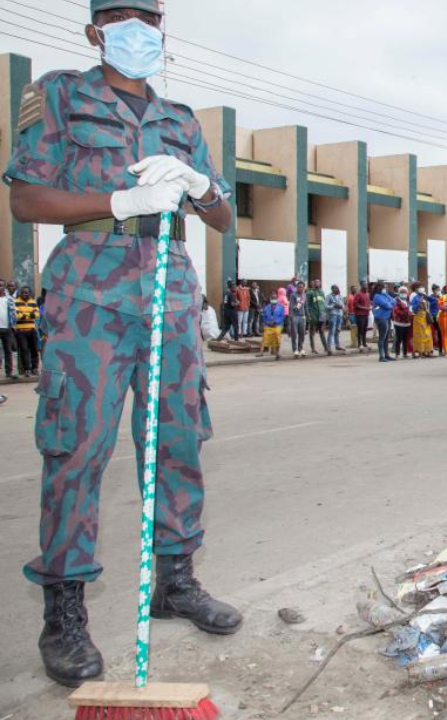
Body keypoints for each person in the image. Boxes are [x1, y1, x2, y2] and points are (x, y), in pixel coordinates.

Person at [5, 0, 243, 687]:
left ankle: (175, 580)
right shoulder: (57, 95)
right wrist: (117, 202)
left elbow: (223, 217)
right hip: (88, 290)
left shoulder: (181, 119)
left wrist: (200, 186)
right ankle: (65, 611)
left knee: (177, 438)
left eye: (148, 19)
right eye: (120, 19)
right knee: (76, 447)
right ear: (94, 33)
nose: (137, 32)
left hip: (168, 289)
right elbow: (26, 198)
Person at [14, 286, 40, 376]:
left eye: (27, 293)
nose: (25, 294)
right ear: (21, 293)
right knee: (24, 350)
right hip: (21, 331)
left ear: (29, 293)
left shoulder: (33, 302)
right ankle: (27, 369)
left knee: (34, 350)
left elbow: (37, 314)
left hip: (32, 330)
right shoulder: (15, 302)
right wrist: (29, 314)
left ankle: (35, 368)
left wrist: (24, 314)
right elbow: (17, 315)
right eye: (24, 293)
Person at [371, 282, 395, 362]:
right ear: (379, 288)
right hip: (381, 318)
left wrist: (390, 304)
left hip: (387, 317)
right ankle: (381, 356)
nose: (386, 289)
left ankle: (387, 355)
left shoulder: (385, 295)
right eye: (384, 287)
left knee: (386, 338)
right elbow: (387, 305)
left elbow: (393, 301)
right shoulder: (377, 296)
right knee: (382, 338)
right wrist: (390, 304)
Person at [258, 292, 285, 360]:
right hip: (268, 324)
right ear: (270, 299)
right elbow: (264, 316)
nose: (274, 299)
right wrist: (268, 322)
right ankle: (261, 352)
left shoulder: (281, 307)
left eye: (275, 298)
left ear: (277, 298)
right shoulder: (267, 307)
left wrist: (276, 322)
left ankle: (277, 353)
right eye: (272, 298)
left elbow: (282, 316)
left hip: (277, 325)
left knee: (277, 337)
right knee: (265, 337)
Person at [306, 278, 329, 355]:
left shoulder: (322, 292)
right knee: (312, 332)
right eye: (315, 282)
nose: (317, 283)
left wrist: (325, 314)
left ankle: (326, 348)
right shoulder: (310, 293)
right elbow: (307, 305)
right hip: (313, 315)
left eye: (318, 282)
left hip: (321, 315)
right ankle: (313, 348)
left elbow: (323, 304)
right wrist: (309, 315)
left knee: (322, 331)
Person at [411, 287, 435, 358]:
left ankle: (428, 351)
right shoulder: (415, 298)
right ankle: (419, 351)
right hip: (418, 318)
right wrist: (419, 304)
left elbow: (434, 300)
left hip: (426, 318)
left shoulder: (425, 297)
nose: (422, 290)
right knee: (420, 335)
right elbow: (413, 309)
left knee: (428, 335)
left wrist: (427, 297)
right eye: (420, 288)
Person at [288, 280, 308, 357]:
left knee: (302, 334)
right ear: (297, 287)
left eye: (302, 287)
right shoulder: (293, 295)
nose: (300, 288)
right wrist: (291, 317)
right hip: (295, 316)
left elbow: (306, 306)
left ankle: (301, 348)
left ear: (304, 288)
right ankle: (295, 350)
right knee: (294, 334)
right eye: (299, 287)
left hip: (302, 316)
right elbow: (291, 307)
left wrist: (307, 315)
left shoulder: (304, 295)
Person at [0, 281, 15, 379]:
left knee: (8, 350)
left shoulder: (9, 299)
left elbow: (14, 313)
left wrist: (13, 325)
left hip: (7, 328)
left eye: (1, 286)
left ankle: (9, 371)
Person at [392, 287, 413, 358]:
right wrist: (406, 313)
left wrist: (409, 314)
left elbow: (411, 310)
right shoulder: (396, 301)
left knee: (405, 339)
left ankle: (405, 353)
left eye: (405, 293)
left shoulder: (408, 302)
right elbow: (396, 311)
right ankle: (397, 353)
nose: (404, 294)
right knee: (399, 339)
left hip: (407, 323)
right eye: (402, 293)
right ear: (399, 293)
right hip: (399, 323)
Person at [325, 284, 345, 353]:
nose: (336, 290)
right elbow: (326, 306)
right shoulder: (329, 296)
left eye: (337, 288)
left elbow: (343, 305)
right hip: (333, 315)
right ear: (332, 289)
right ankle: (329, 347)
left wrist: (341, 306)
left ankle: (337, 345)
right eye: (335, 288)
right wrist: (333, 305)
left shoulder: (340, 296)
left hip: (339, 315)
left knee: (338, 330)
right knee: (332, 331)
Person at [353, 283, 372, 353]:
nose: (366, 288)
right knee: (360, 330)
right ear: (362, 287)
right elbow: (355, 304)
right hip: (360, 315)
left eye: (366, 287)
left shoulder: (367, 294)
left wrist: (370, 305)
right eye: (365, 287)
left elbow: (368, 302)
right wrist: (365, 308)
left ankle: (364, 343)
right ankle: (359, 343)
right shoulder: (358, 294)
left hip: (366, 314)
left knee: (365, 329)